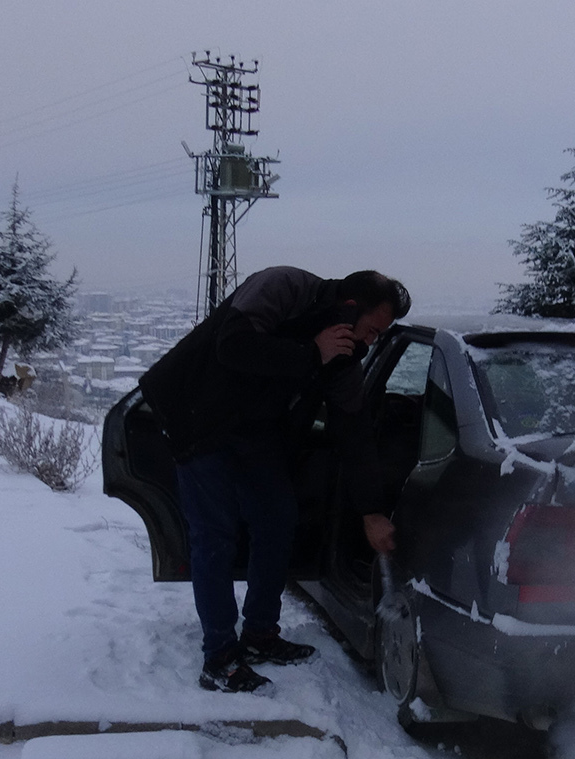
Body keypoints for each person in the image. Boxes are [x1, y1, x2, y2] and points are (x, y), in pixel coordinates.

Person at [139, 267, 410, 692]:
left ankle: (260, 634)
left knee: (278, 518)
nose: (371, 342)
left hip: (252, 425)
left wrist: (372, 511)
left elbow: (354, 431)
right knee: (215, 534)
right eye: (372, 330)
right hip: (196, 414)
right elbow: (233, 344)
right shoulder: (285, 288)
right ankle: (220, 659)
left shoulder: (343, 357)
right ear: (350, 307)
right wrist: (310, 353)